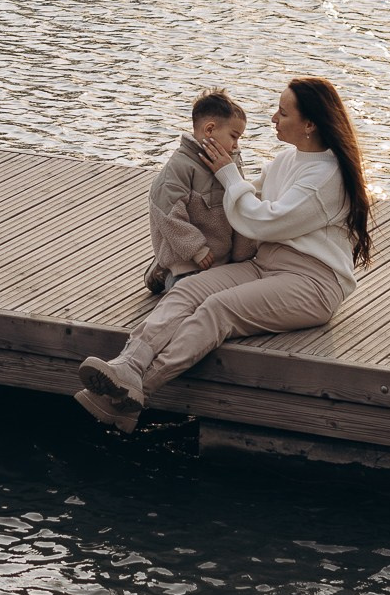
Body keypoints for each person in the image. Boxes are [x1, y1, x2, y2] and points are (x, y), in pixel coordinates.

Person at [76, 77, 374, 432]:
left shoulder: (327, 176)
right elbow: (245, 195)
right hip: (265, 264)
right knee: (188, 290)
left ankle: (140, 389)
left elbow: (263, 221)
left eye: (282, 112)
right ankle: (128, 366)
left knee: (218, 309)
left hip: (312, 283)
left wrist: (229, 174)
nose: (273, 119)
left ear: (309, 124)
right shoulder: (285, 161)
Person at [141, 90, 260, 298]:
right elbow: (167, 214)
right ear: (210, 129)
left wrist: (243, 252)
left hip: (221, 261)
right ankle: (165, 269)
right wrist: (196, 249)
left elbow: (239, 205)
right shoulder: (179, 167)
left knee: (244, 295)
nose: (236, 145)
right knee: (188, 297)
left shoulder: (232, 163)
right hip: (188, 262)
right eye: (234, 136)